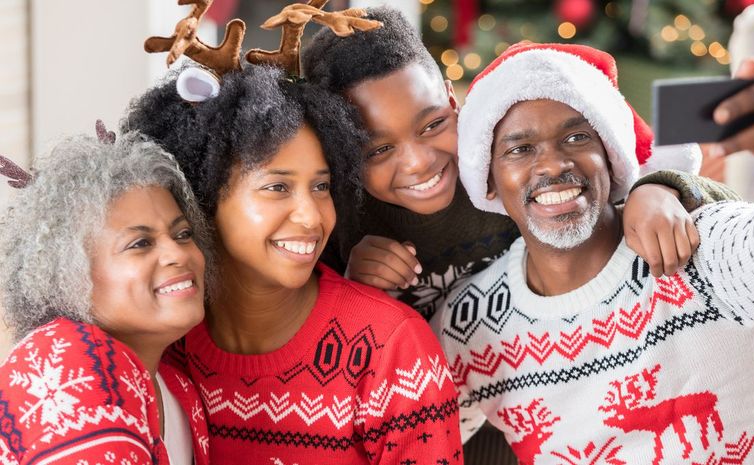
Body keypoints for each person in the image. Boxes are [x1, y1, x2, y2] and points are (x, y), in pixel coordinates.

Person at [432, 42, 754, 465]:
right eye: (519, 149)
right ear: (488, 179)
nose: (552, 165)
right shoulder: (470, 324)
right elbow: (417, 436)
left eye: (576, 136)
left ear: (611, 154)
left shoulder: (693, 238)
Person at [301, 6, 754, 324]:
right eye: (377, 150)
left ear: (454, 100)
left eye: (433, 125)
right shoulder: (341, 219)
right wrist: (351, 287)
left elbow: (630, 167)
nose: (418, 162)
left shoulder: (509, 160)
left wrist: (659, 187)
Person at [123, 61, 463, 465]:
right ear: (202, 198)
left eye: (321, 186)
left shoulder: (392, 349)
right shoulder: (166, 343)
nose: (312, 216)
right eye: (278, 187)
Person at [0, 132, 210, 465]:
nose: (177, 253)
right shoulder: (61, 366)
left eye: (182, 234)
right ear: (68, 273)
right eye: (140, 243)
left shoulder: (178, 389)